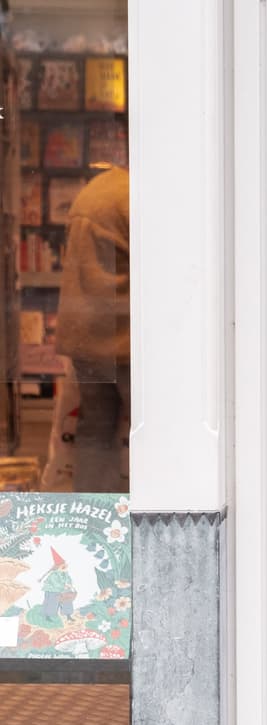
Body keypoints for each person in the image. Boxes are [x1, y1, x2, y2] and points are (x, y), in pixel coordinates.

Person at [55, 164, 130, 493]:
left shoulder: (95, 191)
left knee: (95, 431)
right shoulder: (133, 195)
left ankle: (93, 517)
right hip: (125, 338)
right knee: (154, 429)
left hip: (87, 335)